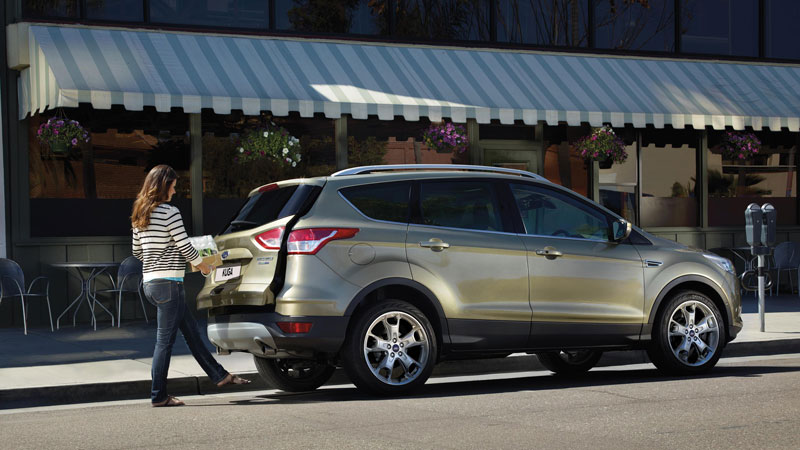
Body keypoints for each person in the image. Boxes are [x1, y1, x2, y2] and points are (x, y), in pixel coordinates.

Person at [131, 164, 250, 407]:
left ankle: (219, 375)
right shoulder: (170, 212)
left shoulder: (139, 214)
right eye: (173, 187)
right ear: (163, 186)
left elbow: (137, 252)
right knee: (164, 342)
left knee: (192, 333)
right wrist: (204, 266)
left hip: (150, 284)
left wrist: (157, 259)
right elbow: (185, 246)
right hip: (169, 286)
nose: (175, 191)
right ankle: (158, 396)